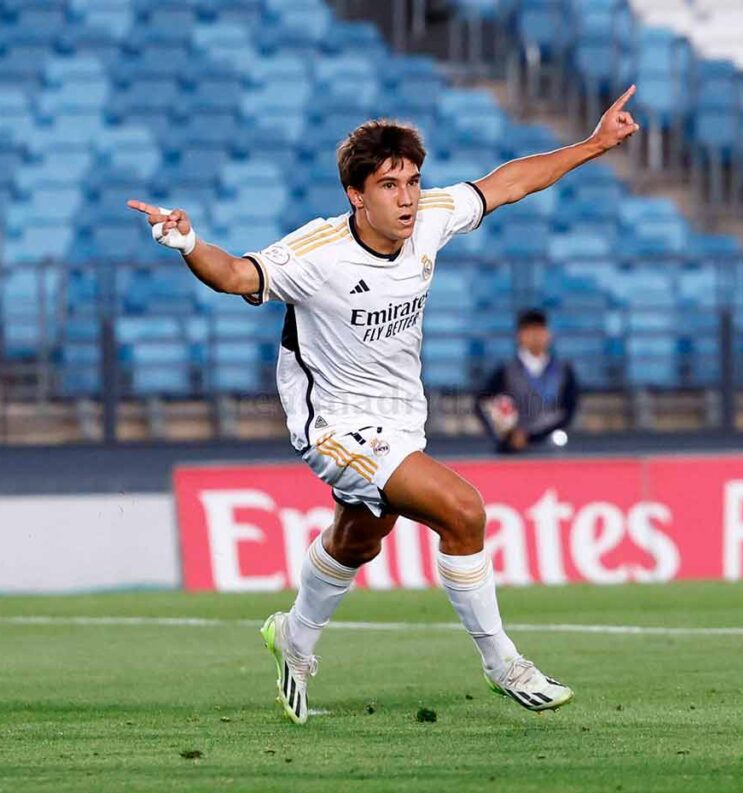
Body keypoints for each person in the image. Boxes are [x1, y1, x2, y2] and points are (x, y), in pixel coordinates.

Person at [128, 85, 639, 724]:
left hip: (400, 416)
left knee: (361, 536)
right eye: (390, 185)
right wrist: (188, 243)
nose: (407, 198)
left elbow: (507, 184)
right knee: (463, 511)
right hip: (333, 424)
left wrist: (593, 144)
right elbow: (236, 275)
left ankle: (294, 638)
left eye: (413, 182)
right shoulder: (318, 253)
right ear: (356, 195)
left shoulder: (430, 217)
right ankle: (503, 663)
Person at [476, 309, 579, 453]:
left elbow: (569, 410)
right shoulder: (504, 371)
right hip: (513, 451)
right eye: (530, 331)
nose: (535, 336)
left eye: (540, 330)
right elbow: (483, 403)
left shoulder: (564, 370)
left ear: (548, 334)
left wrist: (533, 436)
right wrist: (509, 435)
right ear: (519, 336)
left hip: (552, 449)